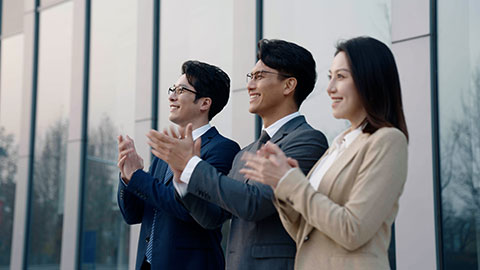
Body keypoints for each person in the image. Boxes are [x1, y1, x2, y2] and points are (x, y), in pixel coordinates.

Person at [146, 39, 328, 270]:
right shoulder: (245, 153)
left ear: (289, 85)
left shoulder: (307, 140)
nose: (250, 85)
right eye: (250, 77)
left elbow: (254, 203)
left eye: (260, 76)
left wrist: (192, 165)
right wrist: (183, 179)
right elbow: (213, 217)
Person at [239, 36, 409, 269]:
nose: (330, 89)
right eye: (330, 77)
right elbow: (305, 232)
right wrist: (282, 186)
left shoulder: (387, 141)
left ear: (369, 79)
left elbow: (352, 230)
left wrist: (292, 183)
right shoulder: (339, 144)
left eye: (340, 77)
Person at [117, 60, 240, 270]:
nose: (171, 96)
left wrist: (138, 176)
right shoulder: (166, 152)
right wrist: (127, 178)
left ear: (204, 103)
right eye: (172, 89)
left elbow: (189, 210)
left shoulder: (222, 149)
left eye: (181, 90)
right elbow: (133, 215)